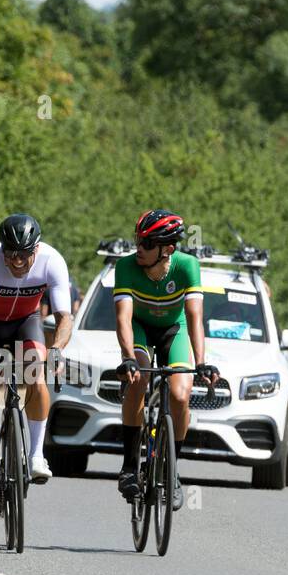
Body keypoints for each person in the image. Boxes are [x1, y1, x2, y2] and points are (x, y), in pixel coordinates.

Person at [0, 214, 73, 512]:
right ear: (1, 250)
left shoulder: (52, 260)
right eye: (11, 255)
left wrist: (57, 349)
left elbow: (64, 318)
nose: (18, 261)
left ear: (36, 249)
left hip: (26, 322)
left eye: (25, 255)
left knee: (36, 373)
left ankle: (36, 455)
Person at [114, 210, 218, 510]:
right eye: (138, 241)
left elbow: (195, 317)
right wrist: (128, 358)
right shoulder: (126, 267)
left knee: (179, 394)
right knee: (139, 380)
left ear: (167, 249)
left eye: (147, 244)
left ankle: (170, 470)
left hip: (175, 330)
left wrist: (201, 362)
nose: (139, 249)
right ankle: (130, 466)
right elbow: (123, 318)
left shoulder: (187, 266)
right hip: (140, 330)